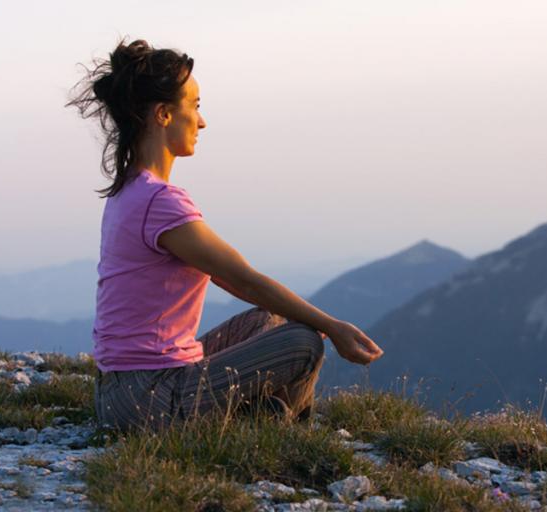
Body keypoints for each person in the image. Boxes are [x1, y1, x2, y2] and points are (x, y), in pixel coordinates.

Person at [66, 38, 384, 434]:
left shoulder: (130, 190)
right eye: (195, 107)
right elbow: (241, 278)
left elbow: (239, 284)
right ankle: (280, 434)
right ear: (164, 114)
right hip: (145, 399)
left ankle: (258, 418)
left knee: (265, 320)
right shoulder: (158, 201)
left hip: (121, 391)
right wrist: (334, 327)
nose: (201, 121)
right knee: (303, 343)